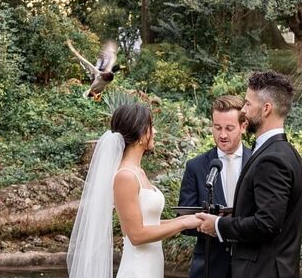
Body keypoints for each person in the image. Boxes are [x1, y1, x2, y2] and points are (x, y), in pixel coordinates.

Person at [67, 103, 203, 278]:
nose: (155, 132)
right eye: (151, 126)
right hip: (138, 269)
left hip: (151, 268)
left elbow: (150, 224)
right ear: (140, 134)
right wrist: (183, 224)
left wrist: (190, 219)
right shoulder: (125, 176)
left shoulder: (138, 172)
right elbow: (136, 235)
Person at [196, 71, 302, 278]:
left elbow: (267, 224)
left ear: (266, 109)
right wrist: (233, 214)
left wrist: (218, 225)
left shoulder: (272, 159)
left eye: (247, 104)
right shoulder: (287, 153)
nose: (243, 111)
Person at [178, 95, 252, 278]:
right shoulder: (195, 167)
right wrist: (209, 224)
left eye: (229, 128)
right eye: (217, 127)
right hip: (209, 267)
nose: (222, 135)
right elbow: (183, 220)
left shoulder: (258, 163)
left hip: (249, 266)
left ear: (243, 126)